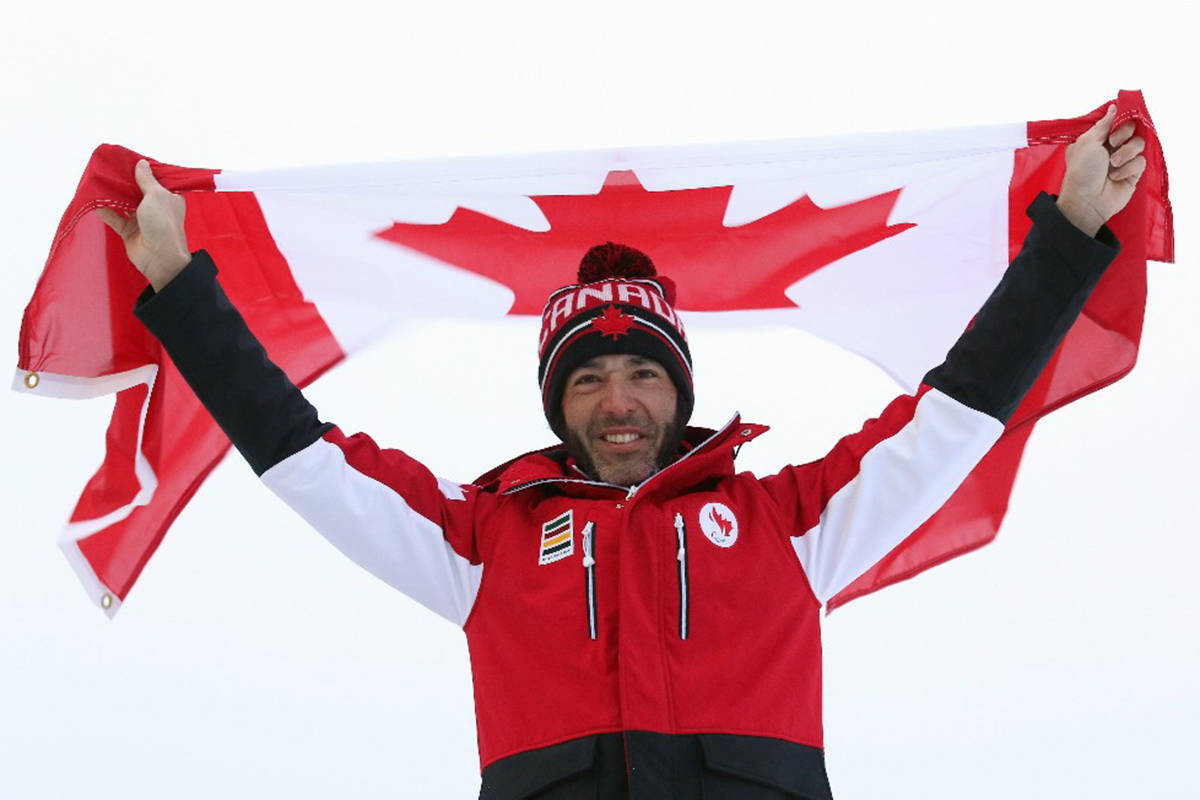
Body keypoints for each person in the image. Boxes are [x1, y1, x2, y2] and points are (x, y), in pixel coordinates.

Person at [99, 106, 1145, 799]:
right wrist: (182, 290)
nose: (619, 401)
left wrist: (1068, 236)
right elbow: (305, 457)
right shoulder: (481, 540)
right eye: (589, 379)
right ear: (560, 404)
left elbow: (953, 413)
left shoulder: (791, 522)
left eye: (645, 374)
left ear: (680, 392)